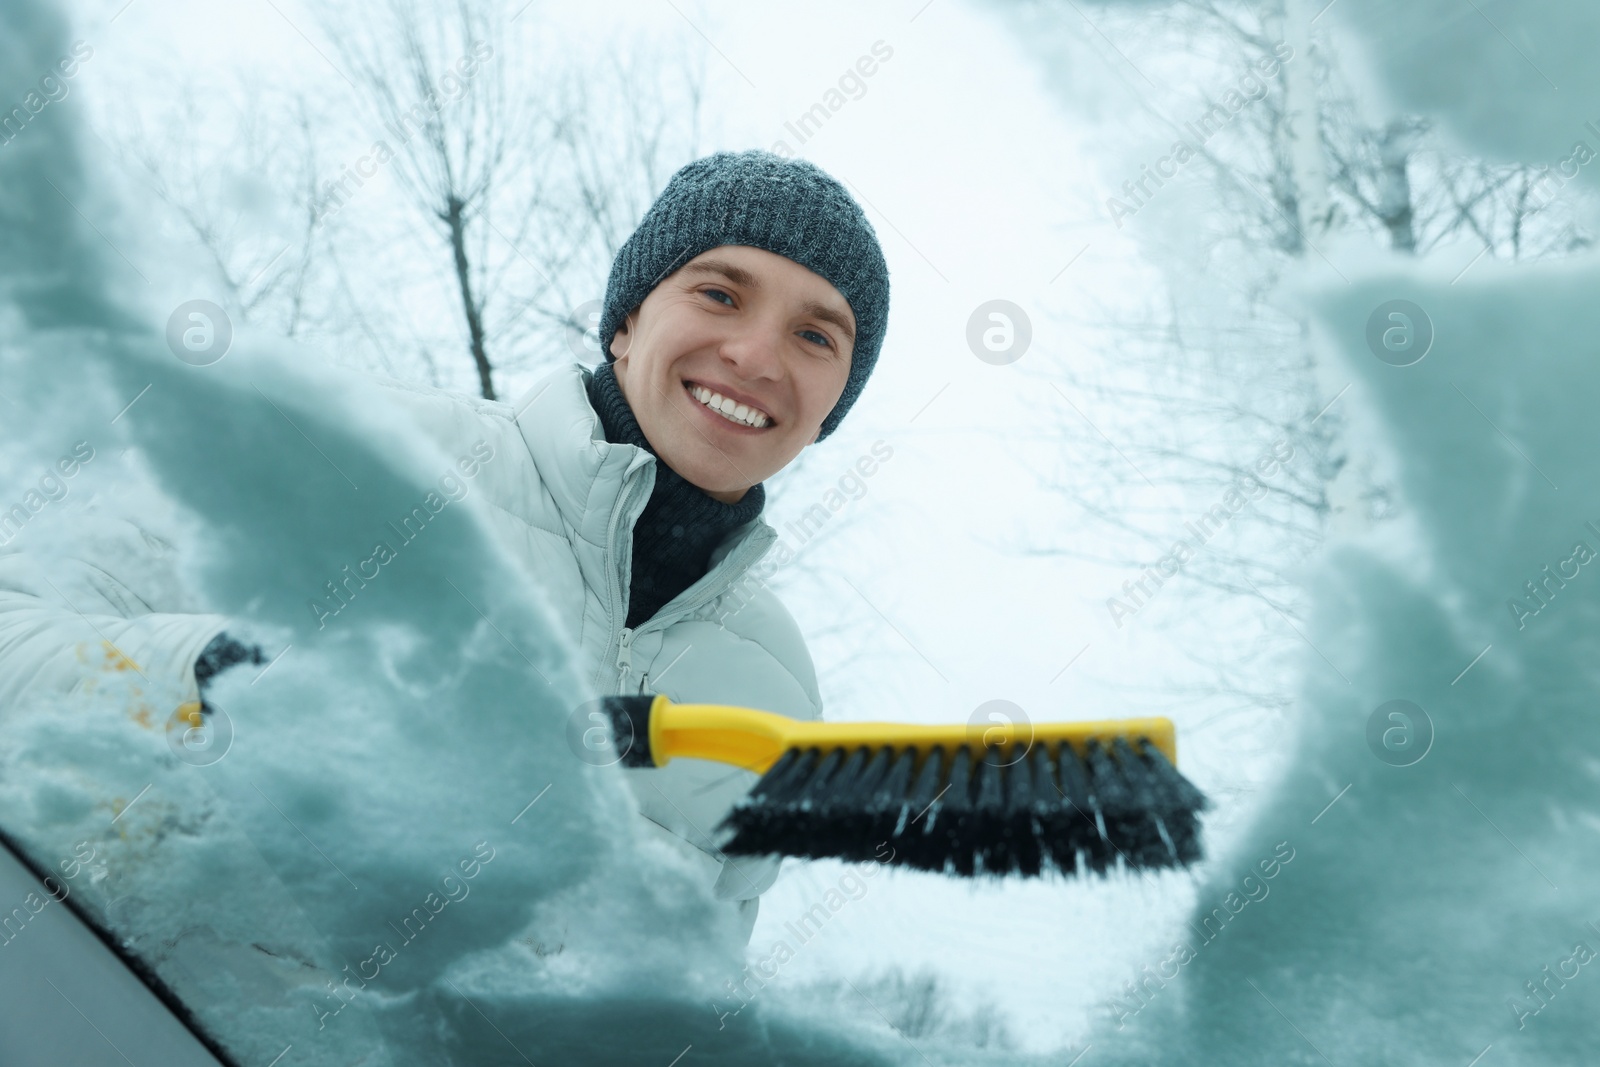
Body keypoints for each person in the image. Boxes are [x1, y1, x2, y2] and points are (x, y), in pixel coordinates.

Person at [0, 149, 891, 945]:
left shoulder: (777, 691)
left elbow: (695, 987)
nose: (755, 353)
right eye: (719, 292)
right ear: (625, 322)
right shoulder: (357, 453)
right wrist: (223, 680)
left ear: (831, 408)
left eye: (816, 335)